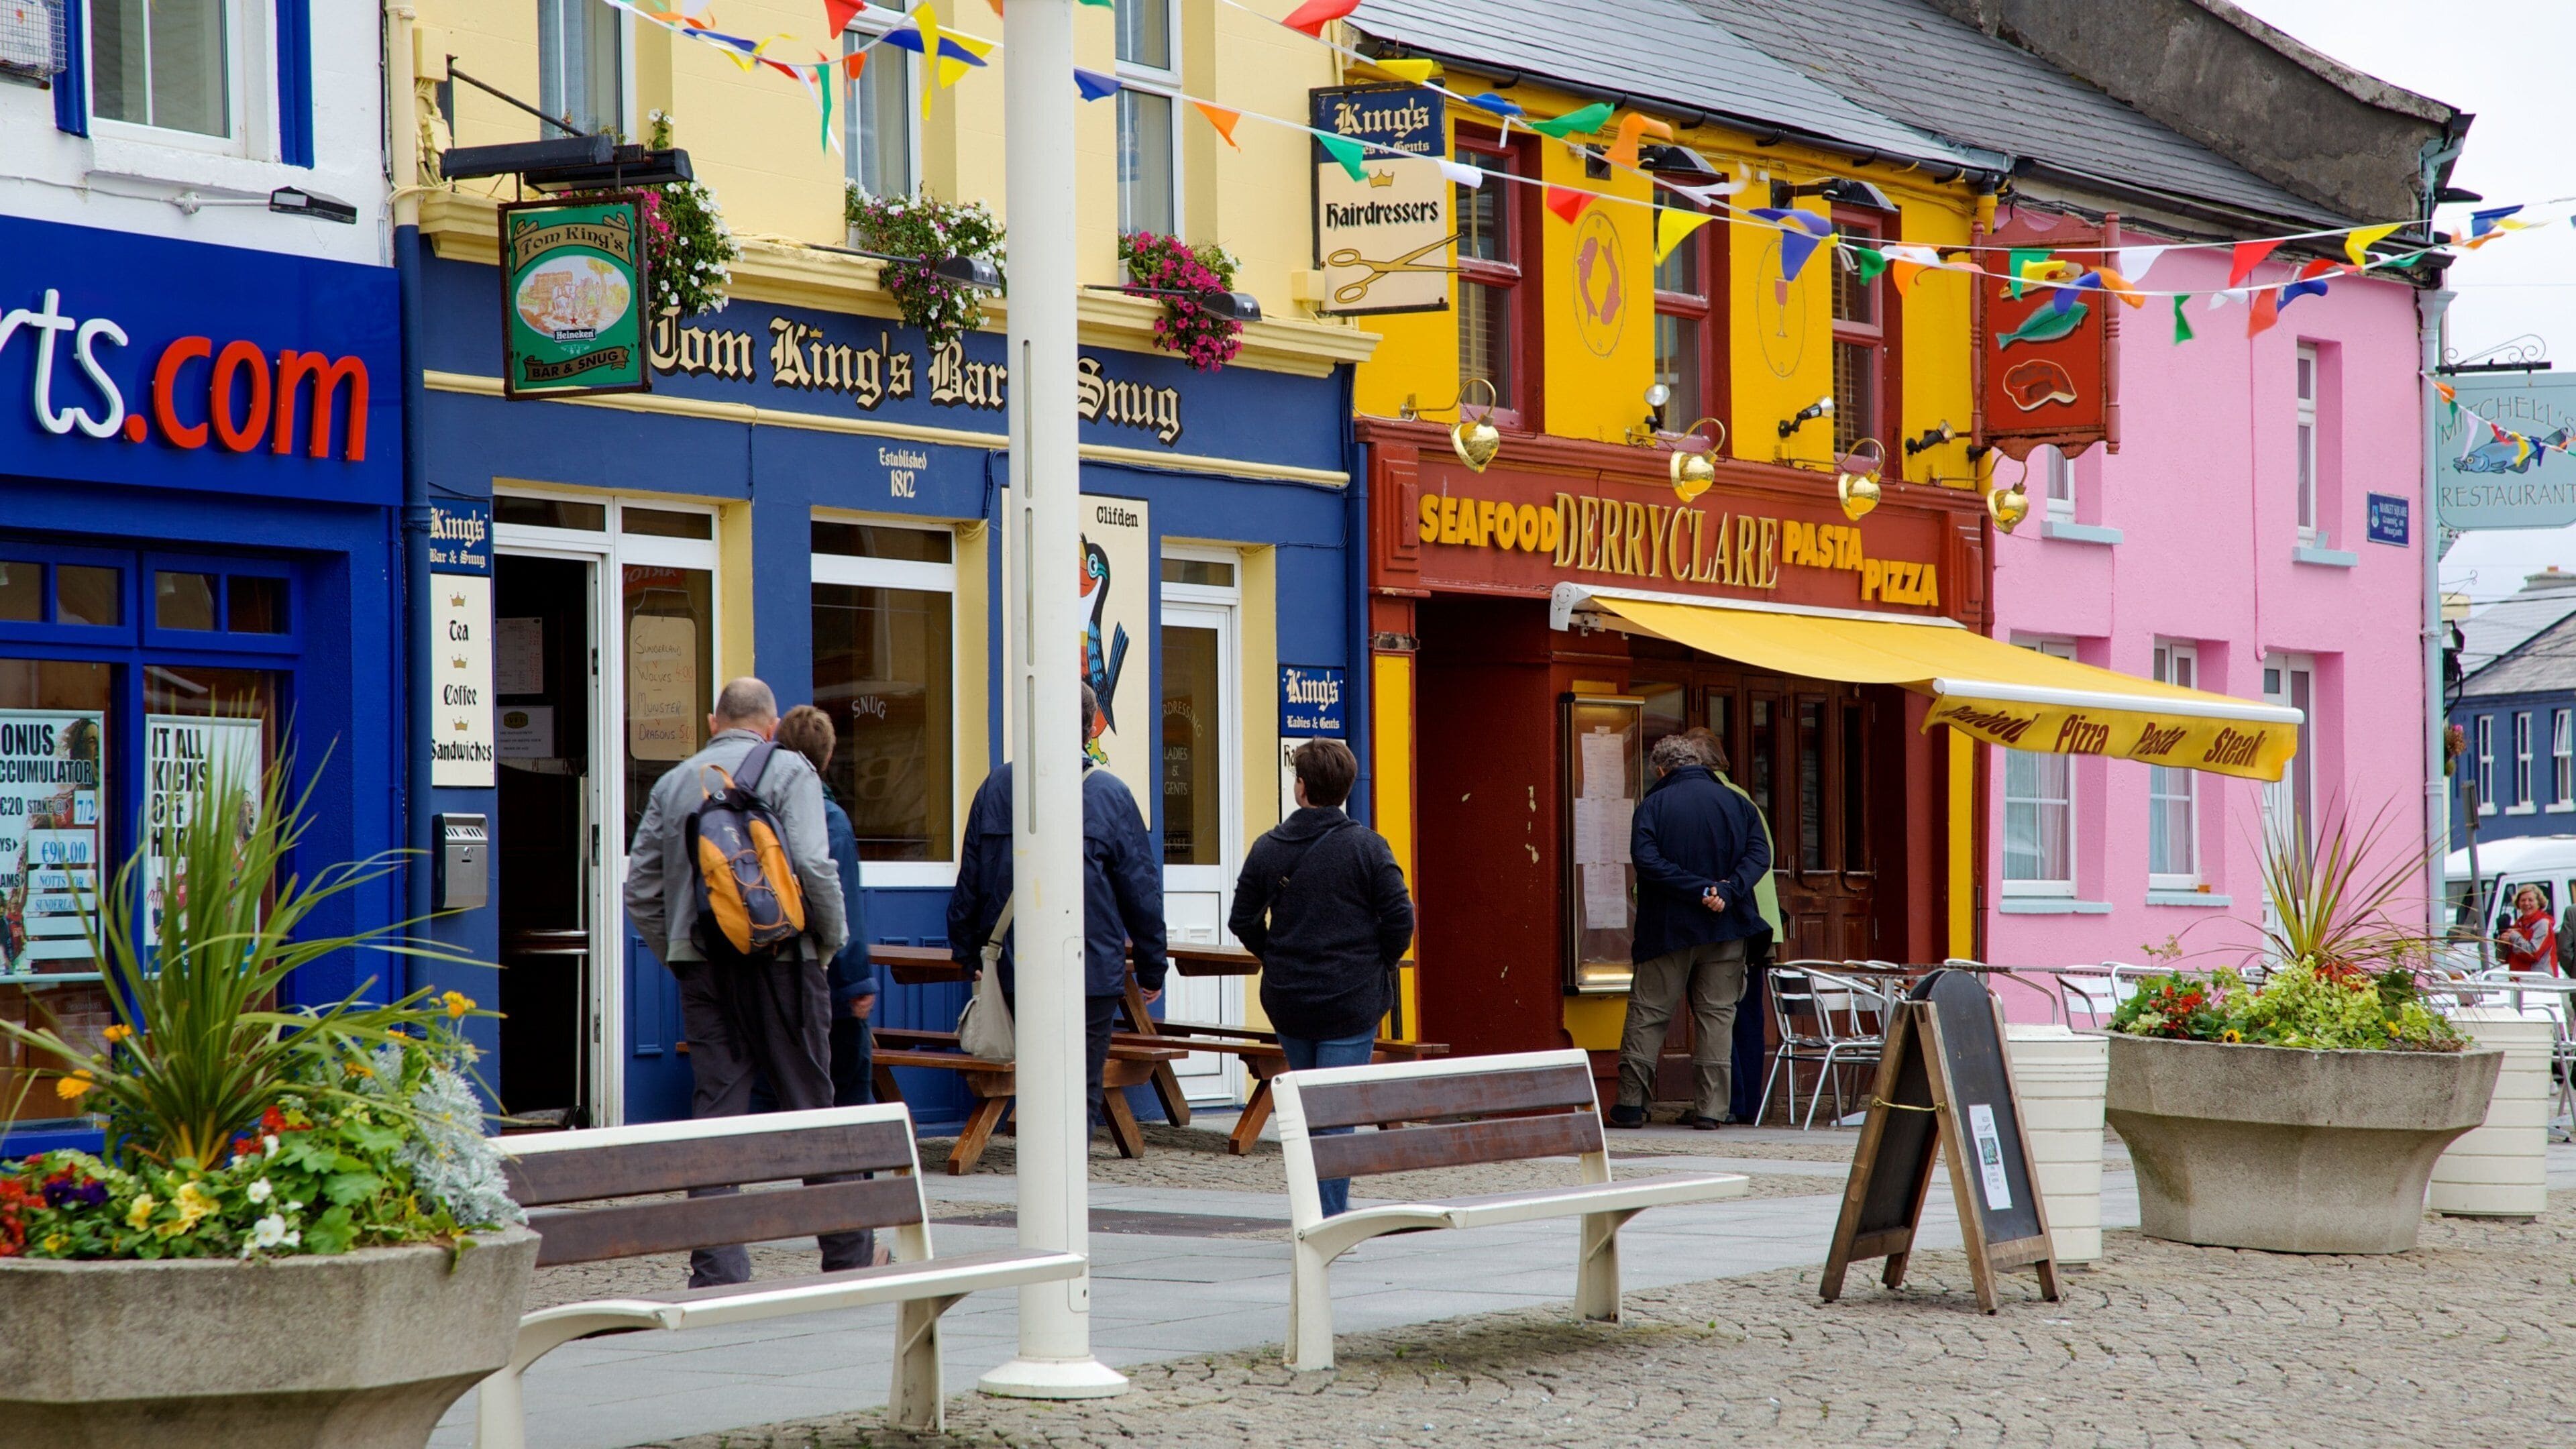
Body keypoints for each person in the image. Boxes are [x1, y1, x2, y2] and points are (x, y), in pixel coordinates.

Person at [625, 677, 855, 1287]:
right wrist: (826, 941)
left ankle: (719, 1266)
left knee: (718, 1109)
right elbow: (812, 864)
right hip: (784, 964)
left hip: (703, 967)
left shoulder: (674, 783)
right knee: (811, 1103)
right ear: (771, 725)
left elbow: (640, 890)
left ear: (711, 722)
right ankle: (848, 1255)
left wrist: (677, 952)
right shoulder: (789, 771)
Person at [947, 683, 1167, 1126]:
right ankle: (1067, 1191)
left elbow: (971, 880)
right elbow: (1141, 893)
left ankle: (1043, 1186)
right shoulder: (1111, 795)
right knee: (1081, 1089)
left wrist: (967, 950)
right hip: (1091, 970)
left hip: (1017, 965)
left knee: (1037, 1084)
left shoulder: (997, 787)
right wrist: (1152, 967)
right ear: (1090, 730)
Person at [1228, 738, 1414, 1217]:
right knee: (1335, 1113)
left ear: (1301, 787)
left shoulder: (1268, 849)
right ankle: (1327, 1220)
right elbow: (1400, 920)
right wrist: (1381, 962)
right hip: (1351, 1000)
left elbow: (1242, 919)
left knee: (1308, 1106)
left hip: (1290, 1000)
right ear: (1348, 786)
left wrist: (1275, 956)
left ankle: (1313, 1213)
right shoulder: (1368, 848)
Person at [1614, 732, 1772, 1130]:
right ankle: (1712, 1110)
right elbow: (1760, 855)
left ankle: (1632, 1104)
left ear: (1661, 768)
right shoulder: (1739, 803)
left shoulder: (1653, 804)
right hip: (1726, 927)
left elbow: (1646, 861)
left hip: (1667, 929)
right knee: (1717, 1017)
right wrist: (1727, 888)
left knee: (1649, 1015)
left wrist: (1697, 888)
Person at [775, 706, 879, 1108]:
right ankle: (855, 1171)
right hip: (825, 977)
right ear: (829, 757)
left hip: (770, 969)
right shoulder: (831, 819)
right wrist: (857, 984)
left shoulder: (762, 807)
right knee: (850, 1088)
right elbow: (842, 903)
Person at [1678, 728, 1781, 1126]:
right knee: (1747, 1016)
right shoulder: (1745, 799)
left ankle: (1731, 1103)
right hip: (1762, 925)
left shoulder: (1710, 800)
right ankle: (1747, 1104)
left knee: (1719, 1012)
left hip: (1730, 921)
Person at [2498, 883, 2557, 973]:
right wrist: (2502, 942)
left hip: (2539, 981)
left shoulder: (2543, 924)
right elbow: (2501, 959)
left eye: (2531, 900)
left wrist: (2515, 938)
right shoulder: (2518, 925)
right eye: (2523, 900)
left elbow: (2533, 953)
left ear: (2539, 903)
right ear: (2518, 904)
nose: (2526, 903)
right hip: (2519, 979)